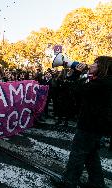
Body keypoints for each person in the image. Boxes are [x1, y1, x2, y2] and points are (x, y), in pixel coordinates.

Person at [51, 56, 112, 188]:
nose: (92, 65)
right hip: (97, 126)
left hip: (90, 125)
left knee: (78, 153)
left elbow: (77, 90)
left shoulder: (102, 83)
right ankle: (97, 183)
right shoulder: (105, 82)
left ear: (103, 67)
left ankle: (69, 182)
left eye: (95, 63)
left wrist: (76, 74)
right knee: (91, 155)